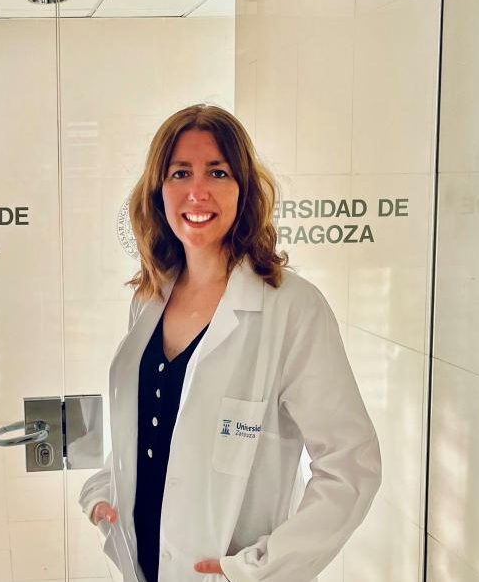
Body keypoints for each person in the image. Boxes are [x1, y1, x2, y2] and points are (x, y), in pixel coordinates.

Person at [78, 104, 381, 582]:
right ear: (159, 191)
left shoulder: (290, 308)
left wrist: (263, 565)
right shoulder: (149, 299)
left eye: (217, 172)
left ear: (243, 189)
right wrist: (104, 491)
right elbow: (156, 424)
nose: (197, 191)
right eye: (180, 172)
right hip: (142, 562)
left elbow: (351, 466)